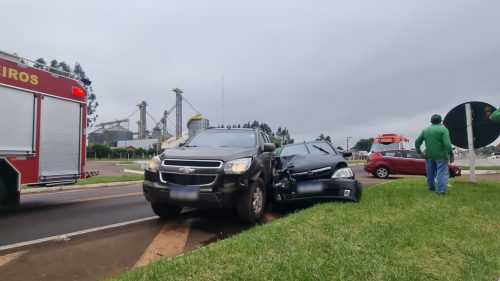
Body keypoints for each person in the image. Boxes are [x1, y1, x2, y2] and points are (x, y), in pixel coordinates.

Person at [415, 114, 454, 195]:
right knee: (441, 173)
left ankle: (431, 188)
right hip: (441, 155)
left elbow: (417, 141)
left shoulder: (425, 130)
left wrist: (419, 152)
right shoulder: (444, 129)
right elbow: (447, 144)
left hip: (428, 155)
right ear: (441, 121)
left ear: (431, 121)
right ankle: (440, 191)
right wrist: (451, 155)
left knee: (430, 173)